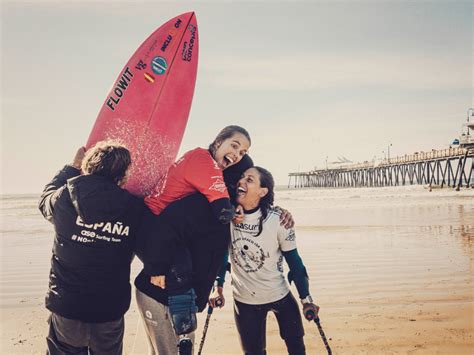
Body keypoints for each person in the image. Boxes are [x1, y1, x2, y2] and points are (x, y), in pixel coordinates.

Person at [38, 141, 145, 355]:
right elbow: (151, 246)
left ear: (87, 166)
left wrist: (71, 167)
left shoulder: (64, 197)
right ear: (124, 175)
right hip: (109, 310)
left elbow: (44, 201)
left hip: (68, 306)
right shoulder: (136, 209)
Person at [209, 167, 319, 355]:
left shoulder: (279, 220)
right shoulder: (227, 217)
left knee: (297, 349)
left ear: (263, 191)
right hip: (245, 301)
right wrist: (217, 288)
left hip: (279, 295)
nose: (241, 182)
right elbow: (222, 255)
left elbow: (295, 263)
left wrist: (306, 299)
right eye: (242, 178)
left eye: (250, 180)